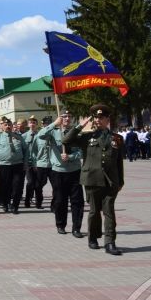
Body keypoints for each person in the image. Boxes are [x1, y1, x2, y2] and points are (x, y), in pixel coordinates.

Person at [63, 104, 125, 255]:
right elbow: (66, 140)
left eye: (101, 117)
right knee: (94, 211)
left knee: (109, 211)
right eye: (95, 117)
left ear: (107, 119)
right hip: (91, 180)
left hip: (110, 181)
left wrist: (120, 181)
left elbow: (119, 162)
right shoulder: (87, 137)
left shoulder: (116, 138)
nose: (97, 120)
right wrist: (80, 125)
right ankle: (93, 238)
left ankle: (110, 242)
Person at [39, 111, 84, 237]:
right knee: (60, 201)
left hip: (74, 171)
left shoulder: (77, 133)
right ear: (60, 118)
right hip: (58, 172)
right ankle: (60, 225)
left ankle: (76, 228)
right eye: (64, 116)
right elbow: (40, 135)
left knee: (77, 201)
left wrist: (70, 156)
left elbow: (82, 152)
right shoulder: (53, 132)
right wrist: (54, 124)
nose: (67, 118)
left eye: (69, 116)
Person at [0, 118, 27, 214]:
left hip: (18, 165)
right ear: (1, 126)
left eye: (9, 124)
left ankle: (15, 206)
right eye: (5, 125)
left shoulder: (19, 137)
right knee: (5, 186)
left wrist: (26, 163)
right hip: (3, 165)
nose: (8, 126)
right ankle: (5, 204)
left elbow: (26, 150)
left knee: (17, 186)